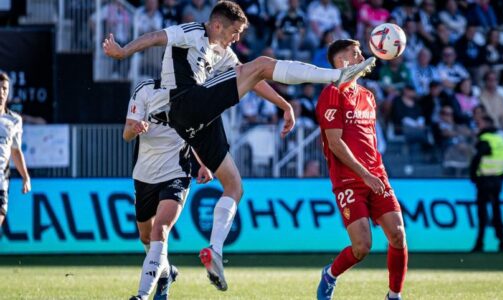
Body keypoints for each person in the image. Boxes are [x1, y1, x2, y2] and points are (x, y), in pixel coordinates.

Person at [103, 0, 376, 292]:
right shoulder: (193, 32)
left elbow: (252, 79)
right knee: (261, 64)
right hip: (184, 102)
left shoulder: (222, 53)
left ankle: (215, 252)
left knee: (234, 186)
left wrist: (284, 105)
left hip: (196, 123)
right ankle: (336, 76)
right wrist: (124, 51)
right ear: (218, 25)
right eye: (235, 31)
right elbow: (157, 36)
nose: (238, 38)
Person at [315, 39, 407, 300]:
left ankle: (394, 296)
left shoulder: (368, 96)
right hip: (348, 181)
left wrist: (374, 172)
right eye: (354, 53)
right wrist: (364, 174)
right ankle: (330, 274)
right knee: (362, 247)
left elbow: (369, 140)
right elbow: (335, 142)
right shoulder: (331, 93)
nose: (361, 57)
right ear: (339, 61)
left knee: (398, 235)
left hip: (377, 175)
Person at [125, 79, 213, 300]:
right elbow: (126, 134)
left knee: (160, 230)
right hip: (144, 175)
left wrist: (203, 164)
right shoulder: (145, 90)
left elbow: (195, 136)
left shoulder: (190, 92)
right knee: (146, 237)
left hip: (177, 173)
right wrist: (135, 128)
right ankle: (166, 273)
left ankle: (142, 295)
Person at [470, 115, 503, 253]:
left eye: (479, 123)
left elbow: (477, 159)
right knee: (497, 212)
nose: (477, 126)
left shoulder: (485, 140)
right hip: (498, 180)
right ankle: (502, 242)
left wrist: (473, 176)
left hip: (485, 181)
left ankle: (480, 243)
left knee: (482, 214)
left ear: (486, 124)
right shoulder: (500, 139)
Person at [0, 72, 31, 228]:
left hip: (1, 180)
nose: (1, 92)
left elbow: (16, 150)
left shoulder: (14, 120)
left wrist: (25, 177)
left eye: (5, 89)